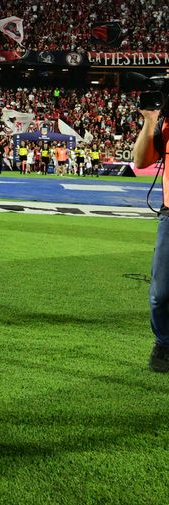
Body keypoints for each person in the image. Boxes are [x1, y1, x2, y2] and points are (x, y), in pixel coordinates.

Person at [134, 100, 169, 372]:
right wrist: (149, 120)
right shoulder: (165, 122)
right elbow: (140, 160)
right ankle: (164, 344)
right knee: (161, 293)